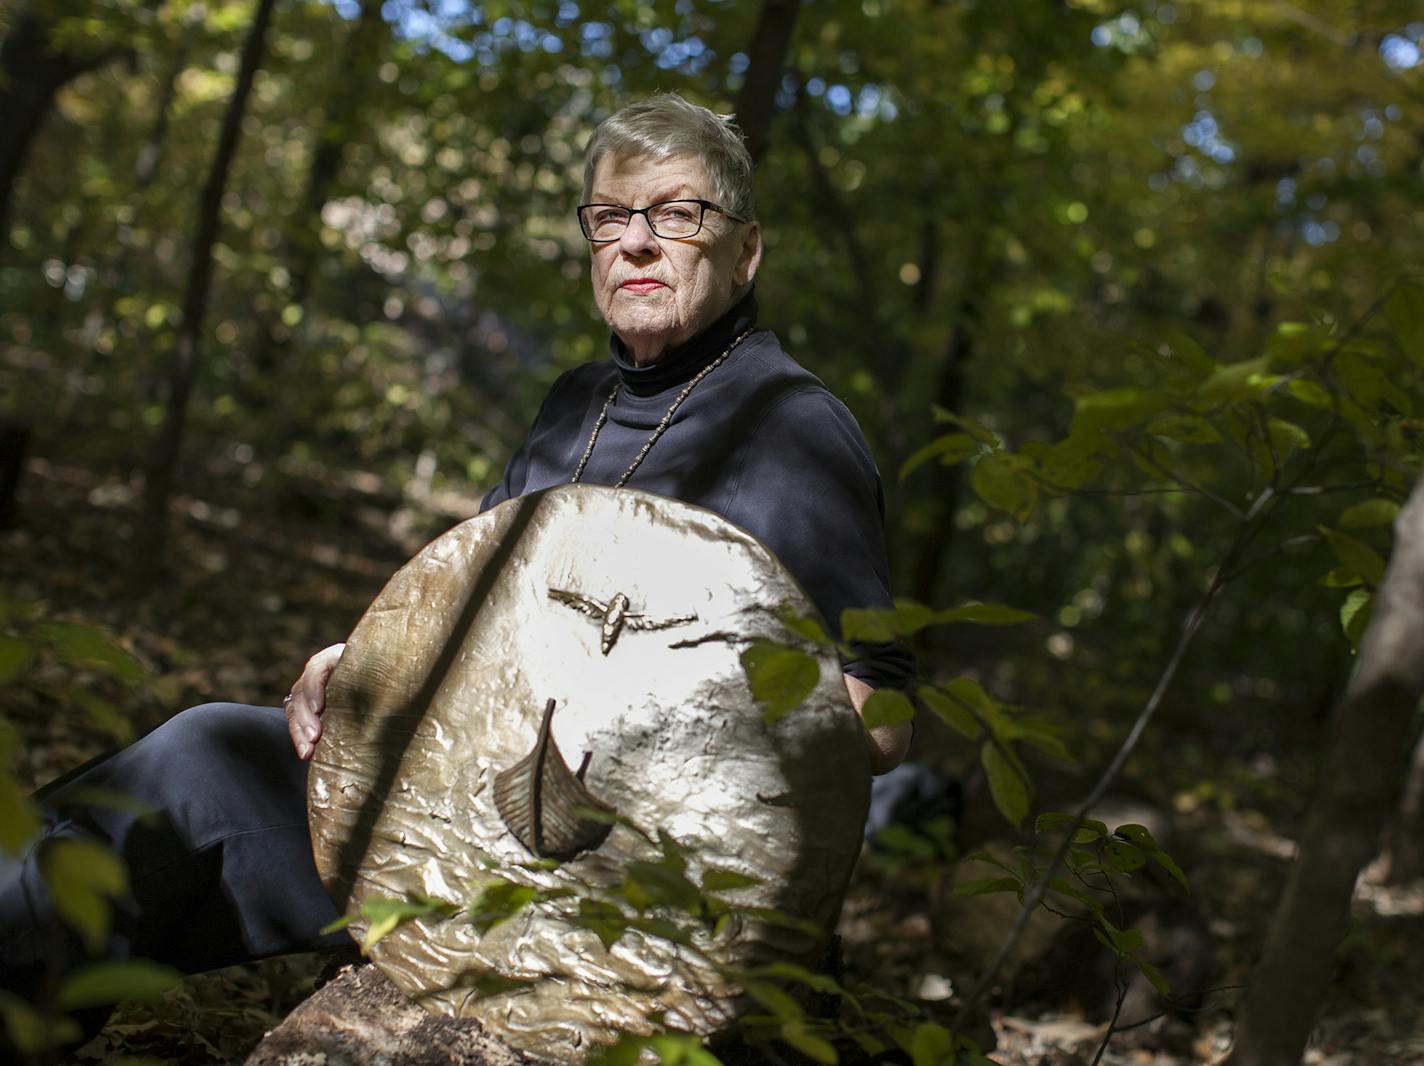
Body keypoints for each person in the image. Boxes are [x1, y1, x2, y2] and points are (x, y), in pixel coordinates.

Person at [0, 93, 911, 1022]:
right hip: (453, 793)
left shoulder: (795, 431)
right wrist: (360, 664)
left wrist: (641, 710)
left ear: (745, 249)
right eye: (610, 216)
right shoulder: (575, 403)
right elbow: (466, 611)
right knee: (190, 757)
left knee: (189, 795)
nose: (637, 243)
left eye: (678, 214)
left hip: (609, 877)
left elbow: (878, 722)